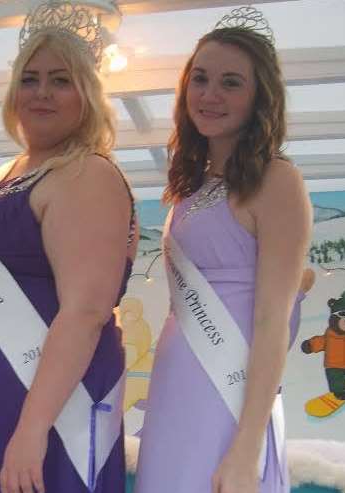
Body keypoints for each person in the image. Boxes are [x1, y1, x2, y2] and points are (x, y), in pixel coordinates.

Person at [0, 2, 138, 493]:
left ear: (87, 93)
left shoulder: (87, 172)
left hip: (37, 404)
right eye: (30, 78)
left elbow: (86, 312)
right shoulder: (11, 171)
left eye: (61, 80)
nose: (42, 92)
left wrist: (31, 428)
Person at [134, 7, 312, 493]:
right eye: (201, 79)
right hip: (175, 380)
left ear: (260, 97)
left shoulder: (278, 181)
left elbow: (273, 320)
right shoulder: (188, 187)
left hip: (227, 391)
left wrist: (247, 446)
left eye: (231, 83)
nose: (210, 95)